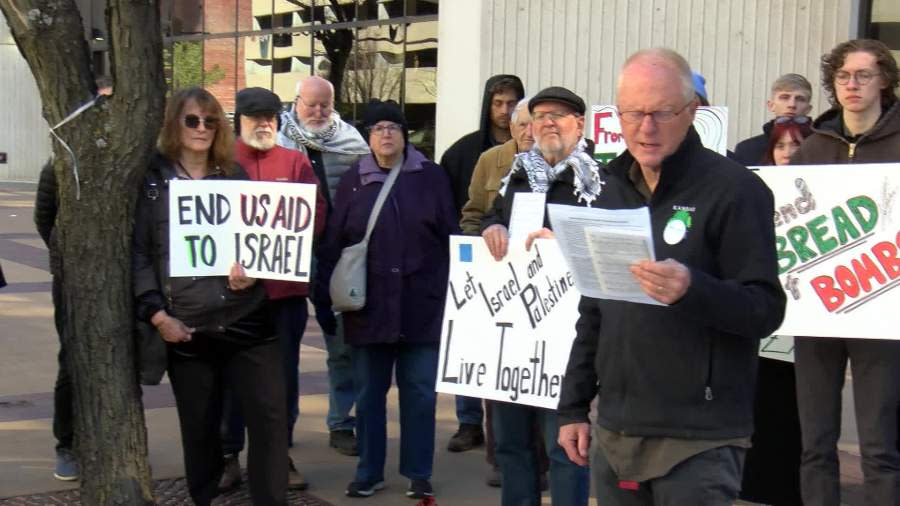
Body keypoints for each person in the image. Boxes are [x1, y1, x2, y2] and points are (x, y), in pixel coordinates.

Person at [557, 48, 786, 505]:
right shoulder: (607, 188)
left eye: (663, 112)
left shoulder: (736, 190)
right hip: (617, 428)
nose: (647, 127)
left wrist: (692, 289)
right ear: (617, 114)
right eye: (634, 113)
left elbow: (765, 309)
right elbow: (594, 309)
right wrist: (573, 407)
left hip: (699, 437)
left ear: (692, 113)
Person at [133, 87, 288, 506]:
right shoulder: (150, 180)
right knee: (200, 431)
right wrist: (156, 315)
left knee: (271, 422)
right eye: (192, 120)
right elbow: (139, 254)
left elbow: (258, 243)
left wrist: (251, 273)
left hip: (246, 320)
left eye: (210, 121)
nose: (202, 128)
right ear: (173, 124)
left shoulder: (234, 176)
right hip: (187, 326)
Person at [317, 100, 458, 499]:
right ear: (367, 135)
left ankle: (418, 472)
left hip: (421, 308)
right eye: (377, 127)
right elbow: (335, 243)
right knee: (369, 397)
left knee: (419, 395)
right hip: (369, 310)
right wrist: (325, 297)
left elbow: (450, 236)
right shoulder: (353, 180)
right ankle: (368, 472)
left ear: (404, 132)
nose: (385, 134)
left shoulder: (430, 177)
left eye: (393, 126)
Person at [790, 38, 900, 506]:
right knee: (814, 444)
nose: (852, 85)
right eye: (843, 77)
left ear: (885, 81)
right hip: (818, 313)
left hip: (882, 309)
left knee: (879, 447)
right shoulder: (813, 146)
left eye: (863, 75)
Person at [480, 86, 597, 506]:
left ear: (579, 125)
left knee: (564, 447)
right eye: (540, 115)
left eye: (558, 116)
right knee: (511, 446)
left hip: (565, 342)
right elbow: (495, 218)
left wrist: (563, 242)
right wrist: (491, 227)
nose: (547, 123)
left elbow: (606, 245)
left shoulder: (599, 180)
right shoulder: (519, 175)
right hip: (514, 337)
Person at [217, 87, 327, 492]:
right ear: (239, 121)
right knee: (231, 378)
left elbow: (316, 217)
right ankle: (228, 453)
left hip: (284, 295)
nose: (263, 124)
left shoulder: (295, 162)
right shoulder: (221, 162)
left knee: (282, 379)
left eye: (269, 117)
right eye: (254, 117)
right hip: (232, 296)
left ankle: (278, 453)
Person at [460, 97, 550, 489]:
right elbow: (476, 215)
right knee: (503, 385)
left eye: (536, 124)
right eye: (522, 125)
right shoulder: (498, 165)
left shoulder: (574, 171)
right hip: (503, 290)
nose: (529, 132)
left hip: (549, 299)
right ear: (511, 130)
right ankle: (503, 461)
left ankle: (543, 464)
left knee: (544, 388)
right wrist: (484, 236)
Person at [278, 75, 369, 457]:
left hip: (335, 254)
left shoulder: (352, 143)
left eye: (324, 105)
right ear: (296, 102)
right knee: (280, 346)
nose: (317, 112)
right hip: (286, 252)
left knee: (341, 343)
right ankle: (279, 427)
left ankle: (341, 422)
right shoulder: (277, 141)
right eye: (310, 104)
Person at [441, 73, 525, 453]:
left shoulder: (539, 153)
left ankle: (505, 437)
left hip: (524, 270)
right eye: (498, 103)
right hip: (479, 265)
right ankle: (468, 422)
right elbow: (461, 212)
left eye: (513, 104)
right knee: (471, 346)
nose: (505, 112)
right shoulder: (466, 154)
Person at [36, 77, 113, 482]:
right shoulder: (59, 165)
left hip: (120, 282)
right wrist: (71, 259)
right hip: (73, 281)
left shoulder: (132, 164)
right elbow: (43, 218)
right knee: (72, 361)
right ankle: (67, 443)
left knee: (119, 362)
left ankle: (109, 440)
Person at [739, 116, 812, 506]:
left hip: (809, 319)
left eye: (796, 146)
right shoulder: (752, 188)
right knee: (764, 402)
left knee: (796, 408)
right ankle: (758, 483)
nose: (788, 154)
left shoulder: (825, 188)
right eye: (782, 147)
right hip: (767, 320)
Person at [733, 73, 813, 166]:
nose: (792, 104)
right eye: (784, 97)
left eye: (800, 99)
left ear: (808, 109)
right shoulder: (747, 150)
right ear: (771, 105)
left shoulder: (821, 147)